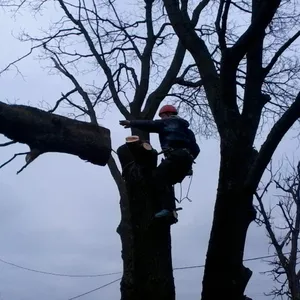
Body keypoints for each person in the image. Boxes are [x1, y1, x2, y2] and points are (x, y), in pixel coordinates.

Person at [119, 104, 200, 219]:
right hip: (186, 159)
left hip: (175, 155)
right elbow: (196, 149)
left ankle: (167, 209)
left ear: (168, 114)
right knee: (167, 180)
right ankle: (171, 210)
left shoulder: (167, 123)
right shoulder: (187, 130)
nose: (162, 119)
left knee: (158, 176)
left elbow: (150, 124)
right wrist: (189, 163)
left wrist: (131, 123)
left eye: (162, 116)